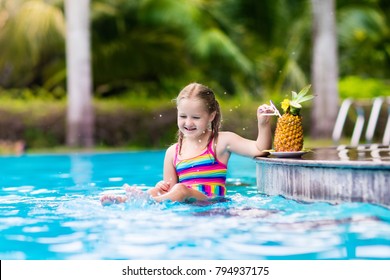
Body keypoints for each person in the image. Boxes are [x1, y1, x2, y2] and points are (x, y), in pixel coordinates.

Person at [100, 82, 274, 206]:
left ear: (211, 116)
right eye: (183, 116)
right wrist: (161, 188)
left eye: (196, 117)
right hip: (185, 205)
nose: (188, 123)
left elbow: (260, 150)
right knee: (157, 190)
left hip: (212, 203)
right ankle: (127, 200)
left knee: (181, 189)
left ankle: (147, 203)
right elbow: (169, 188)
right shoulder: (173, 152)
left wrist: (263, 124)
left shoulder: (220, 141)